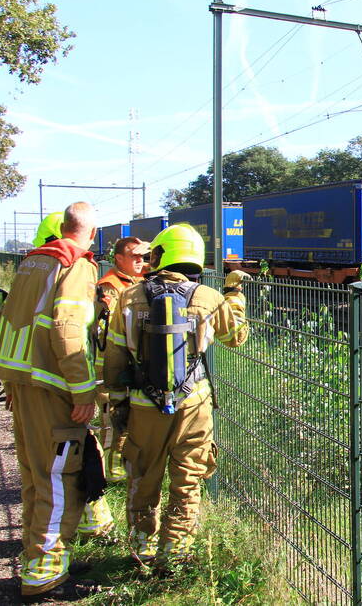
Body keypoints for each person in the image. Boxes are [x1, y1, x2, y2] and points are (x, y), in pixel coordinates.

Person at [102, 223, 250, 566]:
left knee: (142, 476)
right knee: (187, 479)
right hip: (193, 404)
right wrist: (235, 295)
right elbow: (236, 337)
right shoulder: (207, 298)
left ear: (161, 255)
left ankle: (142, 548)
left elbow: (113, 357)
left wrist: (118, 403)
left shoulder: (130, 297)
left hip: (143, 404)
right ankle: (175, 552)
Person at [0, 202, 106, 601]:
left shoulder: (32, 263)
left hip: (24, 385)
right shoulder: (76, 265)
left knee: (33, 477)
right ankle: (44, 570)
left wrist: (10, 378)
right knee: (59, 479)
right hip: (53, 389)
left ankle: (38, 558)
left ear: (62, 227)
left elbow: (7, 317)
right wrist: (83, 391)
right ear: (91, 233)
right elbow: (67, 328)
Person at [94, 237, 150, 483]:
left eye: (143, 257)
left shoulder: (143, 279)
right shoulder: (110, 286)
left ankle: (123, 471)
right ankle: (109, 477)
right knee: (112, 420)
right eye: (134, 257)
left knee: (132, 422)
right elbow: (111, 330)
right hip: (110, 366)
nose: (141, 261)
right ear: (118, 259)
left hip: (133, 365)